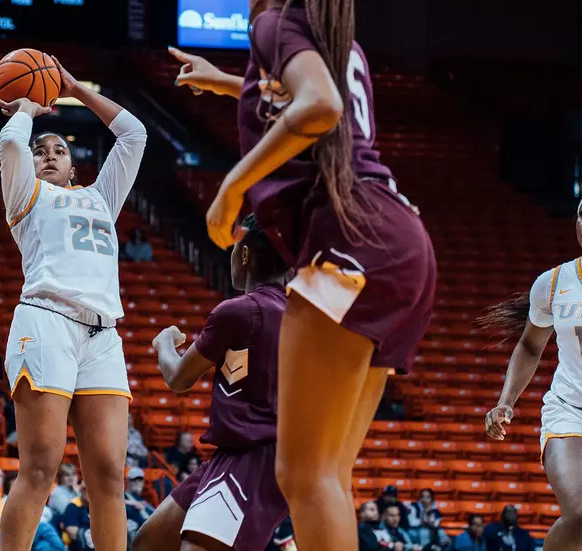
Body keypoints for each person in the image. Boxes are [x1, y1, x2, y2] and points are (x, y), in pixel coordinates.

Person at [168, 0, 436, 548]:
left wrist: (232, 186)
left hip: (349, 239)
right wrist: (225, 82)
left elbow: (319, 106)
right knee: (329, 473)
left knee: (304, 476)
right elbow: (313, 103)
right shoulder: (337, 36)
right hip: (401, 238)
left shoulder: (276, 20)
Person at [0, 53, 147, 551]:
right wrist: (27, 108)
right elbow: (10, 144)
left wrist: (75, 89)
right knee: (40, 467)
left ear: (74, 161)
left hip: (103, 335)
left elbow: (134, 135)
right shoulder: (26, 197)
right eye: (41, 151)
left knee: (108, 474)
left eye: (58, 149)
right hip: (47, 324)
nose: (48, 154)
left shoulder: (101, 197)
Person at [134, 214, 289, 551]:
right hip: (233, 456)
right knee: (149, 542)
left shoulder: (238, 312)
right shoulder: (296, 314)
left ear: (245, 254)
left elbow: (178, 378)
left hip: (255, 457)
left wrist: (163, 343)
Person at [478, 205, 582, 550]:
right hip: (570, 410)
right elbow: (529, 346)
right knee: (581, 513)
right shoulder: (553, 283)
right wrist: (505, 402)